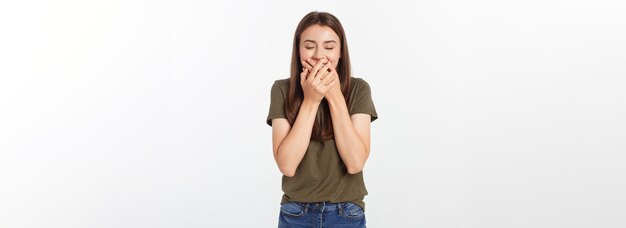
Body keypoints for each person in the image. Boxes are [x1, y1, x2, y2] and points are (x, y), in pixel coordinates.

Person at [266, 11, 378, 228]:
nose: (319, 55)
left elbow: (355, 162)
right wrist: (311, 100)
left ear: (340, 52)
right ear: (298, 50)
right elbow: (287, 165)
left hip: (347, 212)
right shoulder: (282, 89)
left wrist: (334, 95)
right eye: (309, 46)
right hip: (296, 213)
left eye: (329, 47)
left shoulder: (358, 89)